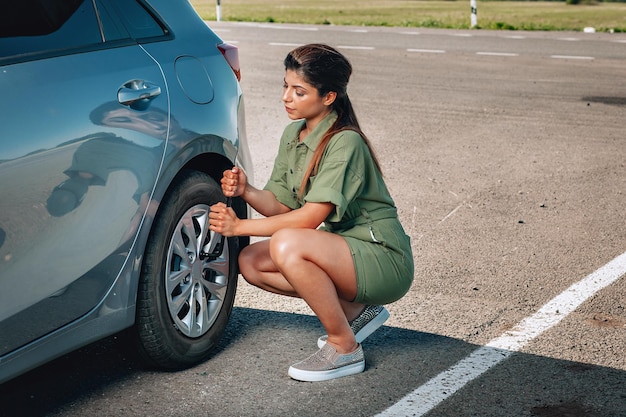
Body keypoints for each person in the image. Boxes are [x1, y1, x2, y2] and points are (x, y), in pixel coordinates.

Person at [209, 44, 414, 382]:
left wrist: (238, 226)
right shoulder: (294, 133)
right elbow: (283, 205)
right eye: (286, 86)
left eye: (299, 91)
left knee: (288, 244)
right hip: (342, 251)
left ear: (329, 96)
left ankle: (344, 347)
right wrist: (247, 190)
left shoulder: (345, 141)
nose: (286, 97)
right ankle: (354, 313)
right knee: (251, 262)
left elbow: (307, 219)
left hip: (382, 257)